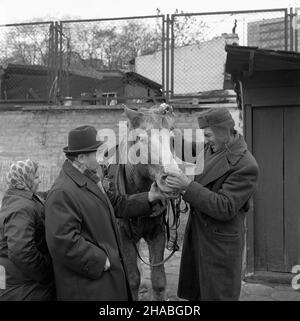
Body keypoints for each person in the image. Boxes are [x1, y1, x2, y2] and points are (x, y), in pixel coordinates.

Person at [45, 125, 165, 301]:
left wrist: (149, 196)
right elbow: (62, 241)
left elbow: (116, 204)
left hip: (100, 281)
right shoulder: (62, 192)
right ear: (81, 158)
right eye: (97, 153)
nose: (102, 158)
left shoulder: (90, 179)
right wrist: (100, 261)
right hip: (88, 286)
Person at [165, 107, 259, 301]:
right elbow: (188, 149)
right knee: (200, 294)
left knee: (218, 295)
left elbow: (225, 207)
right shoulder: (215, 147)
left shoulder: (246, 165)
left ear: (223, 131)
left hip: (220, 246)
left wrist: (187, 187)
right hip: (201, 238)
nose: (205, 140)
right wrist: (170, 128)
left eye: (208, 135)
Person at [0, 159, 55, 301]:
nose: (40, 181)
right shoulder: (21, 208)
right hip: (24, 287)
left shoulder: (17, 197)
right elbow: (21, 251)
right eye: (36, 177)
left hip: (22, 281)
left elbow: (39, 199)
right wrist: (46, 272)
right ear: (25, 180)